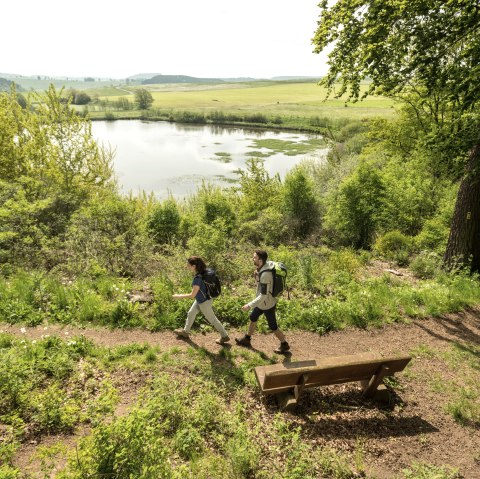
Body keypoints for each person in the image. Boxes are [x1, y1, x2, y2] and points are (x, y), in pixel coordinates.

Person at [236, 250, 290, 353]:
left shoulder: (265, 275)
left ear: (260, 260)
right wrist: (257, 275)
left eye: (255, 258)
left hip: (267, 304)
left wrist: (249, 305)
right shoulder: (265, 265)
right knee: (253, 317)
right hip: (262, 303)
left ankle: (284, 344)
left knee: (273, 326)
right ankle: (247, 339)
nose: (253, 259)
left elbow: (263, 295)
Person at [173, 256, 230, 345]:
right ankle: (185, 332)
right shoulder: (205, 272)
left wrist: (179, 296)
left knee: (212, 319)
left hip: (204, 302)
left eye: (188, 265)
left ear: (194, 266)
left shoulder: (198, 279)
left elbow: (192, 295)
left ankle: (224, 336)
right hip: (204, 298)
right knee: (191, 313)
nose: (187, 267)